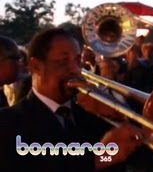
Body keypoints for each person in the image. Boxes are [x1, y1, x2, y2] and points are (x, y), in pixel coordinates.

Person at [0, 28, 142, 171]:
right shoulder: (7, 122)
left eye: (77, 61)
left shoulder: (95, 113)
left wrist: (117, 114)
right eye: (63, 61)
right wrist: (99, 158)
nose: (75, 69)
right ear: (35, 66)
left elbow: (146, 160)